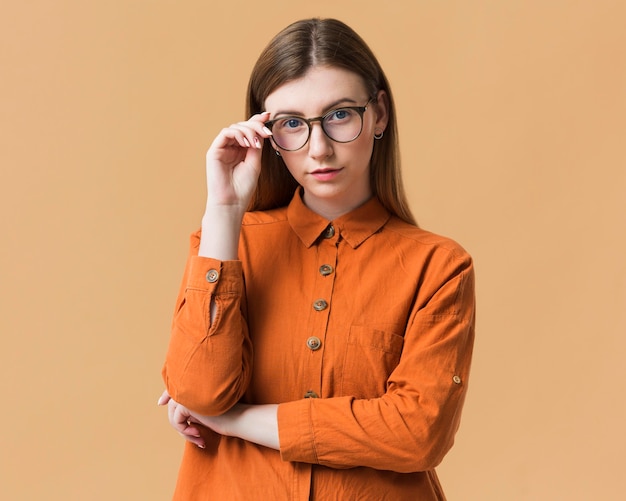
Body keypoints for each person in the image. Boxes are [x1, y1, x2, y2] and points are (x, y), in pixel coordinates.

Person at [158, 17, 475, 500]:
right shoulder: (225, 245)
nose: (320, 148)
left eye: (341, 114)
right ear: (263, 133)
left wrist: (236, 420)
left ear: (380, 114)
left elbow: (418, 433)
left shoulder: (439, 266)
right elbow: (201, 393)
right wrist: (223, 212)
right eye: (291, 124)